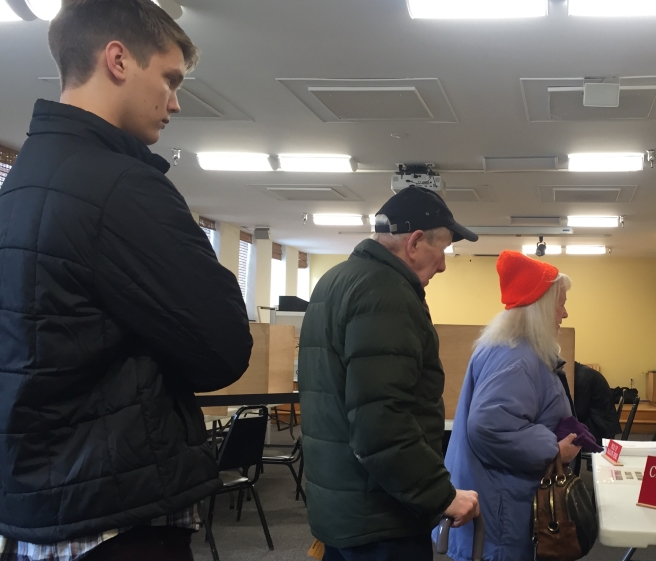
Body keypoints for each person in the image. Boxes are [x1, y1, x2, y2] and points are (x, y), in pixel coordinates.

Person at [0, 1, 253, 560]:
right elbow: (225, 348)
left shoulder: (19, 187)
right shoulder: (122, 188)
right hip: (116, 514)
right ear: (117, 59)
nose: (176, 100)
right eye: (168, 78)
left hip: (38, 517)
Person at [298, 186, 481, 561]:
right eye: (442, 249)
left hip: (342, 505)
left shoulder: (335, 280)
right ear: (414, 243)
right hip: (380, 517)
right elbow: (381, 422)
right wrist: (441, 495)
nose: (444, 264)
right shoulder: (387, 294)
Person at [440, 251, 598, 561]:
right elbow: (489, 427)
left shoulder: (510, 348)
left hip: (496, 502)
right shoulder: (517, 357)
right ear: (540, 308)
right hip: (501, 512)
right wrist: (553, 448)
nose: (564, 313)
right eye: (560, 303)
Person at [574, 361, 622, 441]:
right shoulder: (584, 372)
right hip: (602, 423)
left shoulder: (583, 377)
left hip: (599, 428)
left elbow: (580, 413)